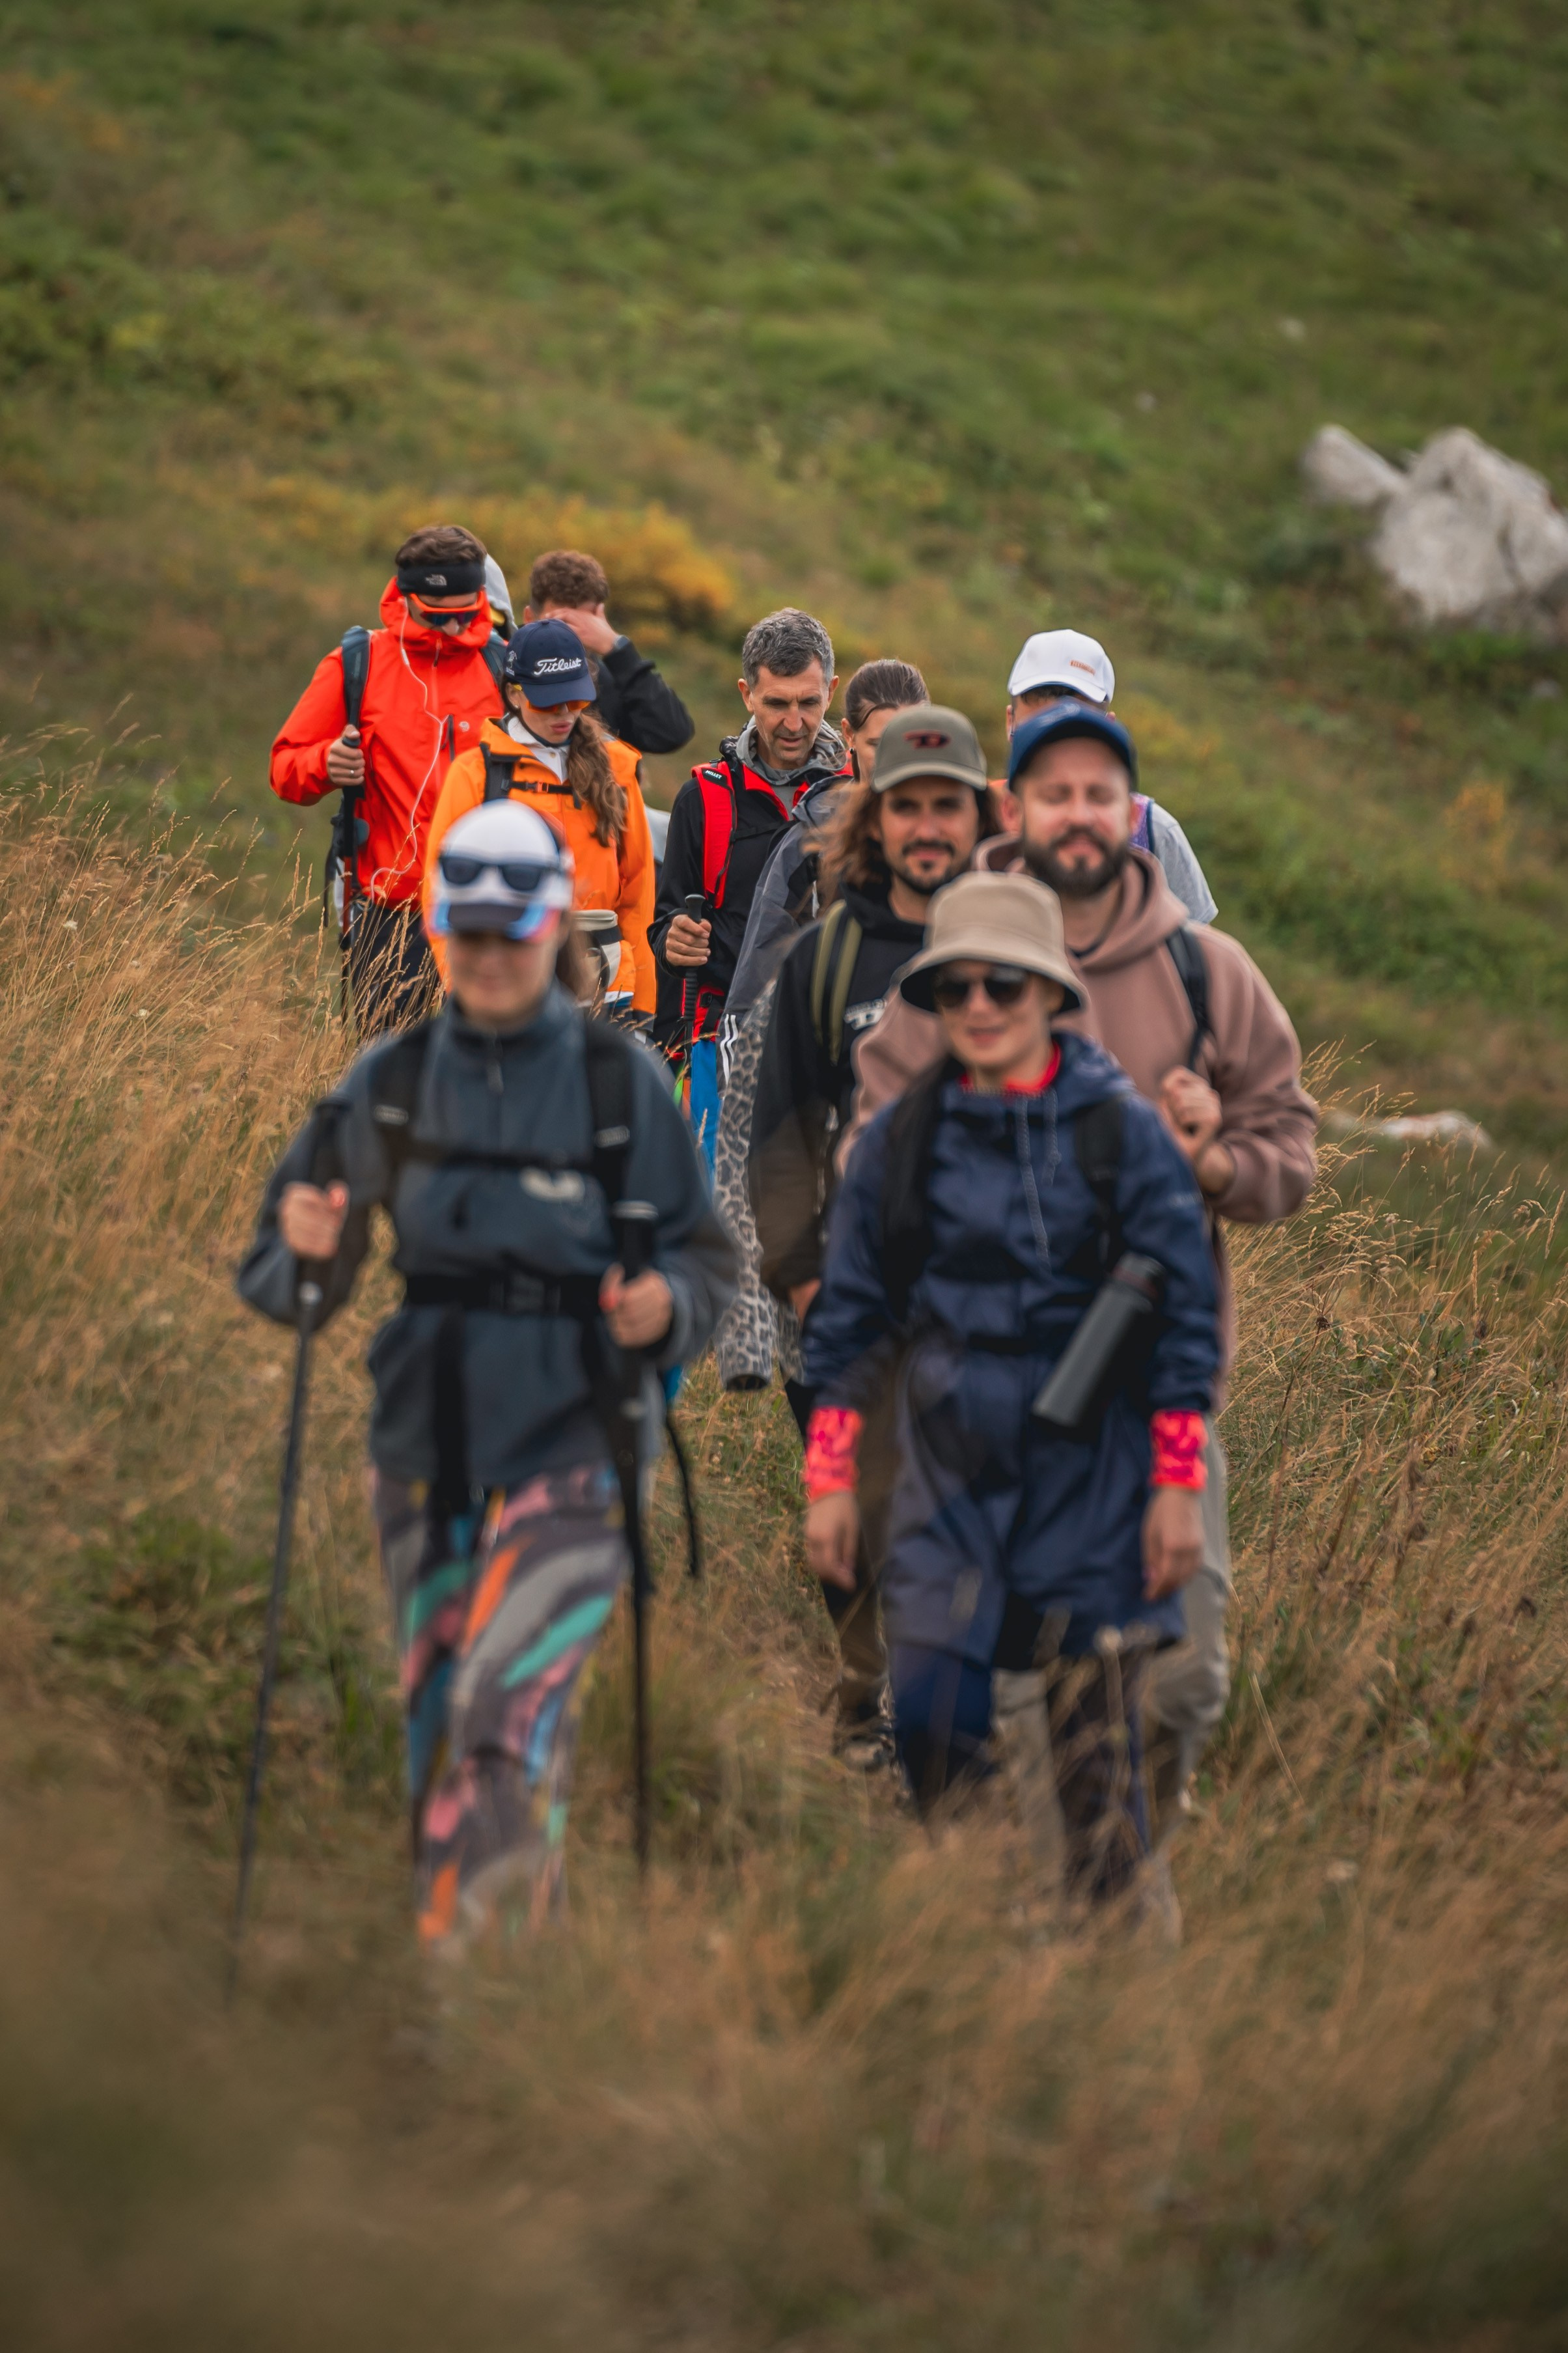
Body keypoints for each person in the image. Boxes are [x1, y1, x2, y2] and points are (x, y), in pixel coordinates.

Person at [840, 700, 1317, 1921]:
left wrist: (1207, 1162)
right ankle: (1036, 1926)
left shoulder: (1203, 973)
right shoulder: (952, 953)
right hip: (969, 1409)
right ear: (1014, 809)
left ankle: (1104, 1868)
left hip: (1146, 1389)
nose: (1074, 812)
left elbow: (1287, 1154)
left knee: (1177, 1683)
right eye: (1048, 791)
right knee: (985, 1699)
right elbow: (874, 1163)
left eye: (1097, 791)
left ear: (1130, 812)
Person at [236, 801, 734, 1950]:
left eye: (513, 933)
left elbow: (703, 1261)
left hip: (578, 1441)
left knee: (499, 1711)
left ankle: (478, 2002)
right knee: (439, 1714)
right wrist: (304, 1249)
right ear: (440, 927)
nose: (490, 956)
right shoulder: (391, 1081)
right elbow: (281, 1275)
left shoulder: (616, 1085)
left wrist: (671, 1305)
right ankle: (490, 1956)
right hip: (424, 1439)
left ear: (554, 928)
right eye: (468, 932)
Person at [803, 870, 1220, 1906]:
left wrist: (1175, 1486)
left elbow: (1182, 1318)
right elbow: (847, 1318)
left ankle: (1100, 1977)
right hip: (948, 1468)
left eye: (1005, 985)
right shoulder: (898, 1145)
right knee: (934, 1719)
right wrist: (829, 1479)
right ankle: (984, 1924)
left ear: (1048, 993)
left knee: (1094, 1765)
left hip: (1096, 1470)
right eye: (957, 989)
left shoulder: (1120, 1134)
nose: (981, 1006)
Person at [742, 704, 1002, 1764]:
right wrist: (806, 1286)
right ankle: (859, 1696)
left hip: (982, 1310)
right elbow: (778, 1136)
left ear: (978, 814)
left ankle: (938, 1728)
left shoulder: (1012, 949)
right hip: (843, 1306)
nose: (927, 826)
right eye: (907, 806)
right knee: (850, 1515)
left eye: (948, 805)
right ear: (874, 817)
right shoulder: (824, 954)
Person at [709, 659, 931, 1396]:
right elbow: (754, 986)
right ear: (851, 740)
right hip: (825, 1084)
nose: (895, 762)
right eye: (878, 744)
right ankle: (776, 1355)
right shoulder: (813, 835)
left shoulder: (967, 837)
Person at [270, 523, 510, 1035]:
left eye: (466, 615)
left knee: (490, 1077)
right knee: (392, 1082)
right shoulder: (357, 663)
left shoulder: (502, 666)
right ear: (404, 596)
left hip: (487, 911)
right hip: (388, 916)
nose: (452, 629)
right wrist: (324, 763)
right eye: (437, 615)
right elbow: (284, 768)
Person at [650, 607, 848, 1170]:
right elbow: (665, 921)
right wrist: (672, 940)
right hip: (718, 1047)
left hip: (826, 1044)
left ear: (831, 692)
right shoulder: (703, 799)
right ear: (746, 695)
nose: (793, 723)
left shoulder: (857, 797)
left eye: (808, 703)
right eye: (776, 704)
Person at [421, 619, 657, 1022]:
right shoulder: (475, 773)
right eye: (549, 703)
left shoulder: (618, 767)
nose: (565, 714)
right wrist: (464, 988)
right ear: (514, 694)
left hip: (608, 985)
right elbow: (440, 890)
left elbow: (638, 897)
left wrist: (643, 1007)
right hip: (510, 973)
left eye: (577, 700)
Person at [1005, 629, 1216, 925]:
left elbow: (1196, 948)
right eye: (1038, 728)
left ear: (1110, 726)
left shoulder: (1155, 832)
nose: (1078, 816)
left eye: (1076, 727)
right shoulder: (969, 818)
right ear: (1009, 723)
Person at [525, 548, 695, 757]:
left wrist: (616, 648)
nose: (567, 639)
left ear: (600, 621)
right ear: (529, 618)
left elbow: (671, 733)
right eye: (561, 623)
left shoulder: (602, 682)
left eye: (582, 626)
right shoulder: (503, 670)